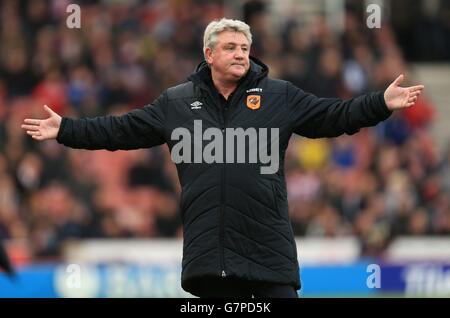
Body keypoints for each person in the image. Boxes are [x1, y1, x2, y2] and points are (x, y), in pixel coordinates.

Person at [21, 18, 424, 298]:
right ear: (209, 54)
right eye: (230, 47)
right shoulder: (176, 103)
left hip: (269, 254)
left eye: (245, 48)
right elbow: (119, 131)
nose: (240, 54)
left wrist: (380, 103)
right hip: (208, 258)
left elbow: (335, 116)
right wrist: (67, 129)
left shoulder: (279, 96)